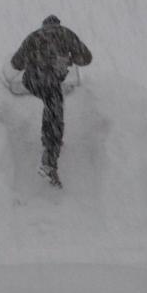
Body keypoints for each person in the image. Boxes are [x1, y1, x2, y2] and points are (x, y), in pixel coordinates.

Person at [11, 15, 92, 186]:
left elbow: (16, 63)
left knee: (50, 103)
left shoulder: (33, 36)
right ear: (57, 24)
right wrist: (69, 58)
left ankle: (49, 149)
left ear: (44, 25)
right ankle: (49, 161)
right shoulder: (66, 33)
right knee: (54, 111)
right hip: (51, 79)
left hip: (32, 79)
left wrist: (33, 58)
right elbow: (86, 58)